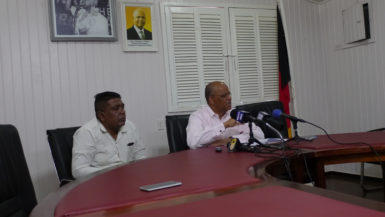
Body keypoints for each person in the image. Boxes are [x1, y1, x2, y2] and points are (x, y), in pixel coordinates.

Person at [72, 91, 146, 178]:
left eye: (122, 107)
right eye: (116, 108)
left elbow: (141, 158)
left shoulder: (130, 126)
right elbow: (78, 170)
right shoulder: (86, 133)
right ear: (101, 116)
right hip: (100, 183)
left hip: (129, 178)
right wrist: (114, 171)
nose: (122, 112)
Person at [186, 81, 264, 149]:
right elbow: (193, 143)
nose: (229, 98)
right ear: (211, 100)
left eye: (229, 94)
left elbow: (259, 135)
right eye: (223, 96)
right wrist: (224, 125)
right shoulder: (197, 117)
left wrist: (230, 140)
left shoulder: (235, 114)